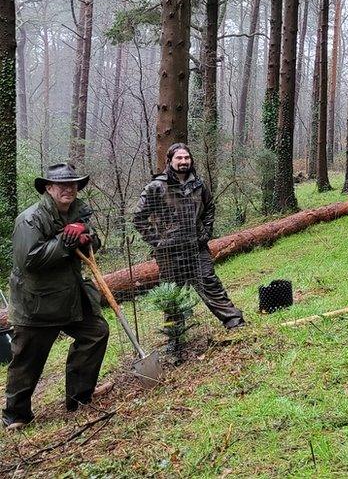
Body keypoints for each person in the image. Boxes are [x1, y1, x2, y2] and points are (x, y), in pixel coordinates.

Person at [3, 164, 110, 431]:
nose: (68, 188)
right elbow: (29, 259)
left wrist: (86, 237)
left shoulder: (79, 211)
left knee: (96, 333)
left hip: (71, 296)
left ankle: (79, 397)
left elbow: (92, 243)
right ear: (48, 188)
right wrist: (66, 240)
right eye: (61, 184)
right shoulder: (30, 219)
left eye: (73, 184)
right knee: (28, 358)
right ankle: (16, 415)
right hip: (36, 302)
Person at [133, 143, 246, 329]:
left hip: (197, 246)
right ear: (170, 161)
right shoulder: (156, 187)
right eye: (179, 158)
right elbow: (139, 218)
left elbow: (209, 207)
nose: (183, 161)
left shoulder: (198, 185)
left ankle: (234, 321)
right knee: (172, 293)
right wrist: (157, 242)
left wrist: (206, 231)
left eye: (187, 158)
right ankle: (175, 337)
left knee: (209, 282)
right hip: (169, 251)